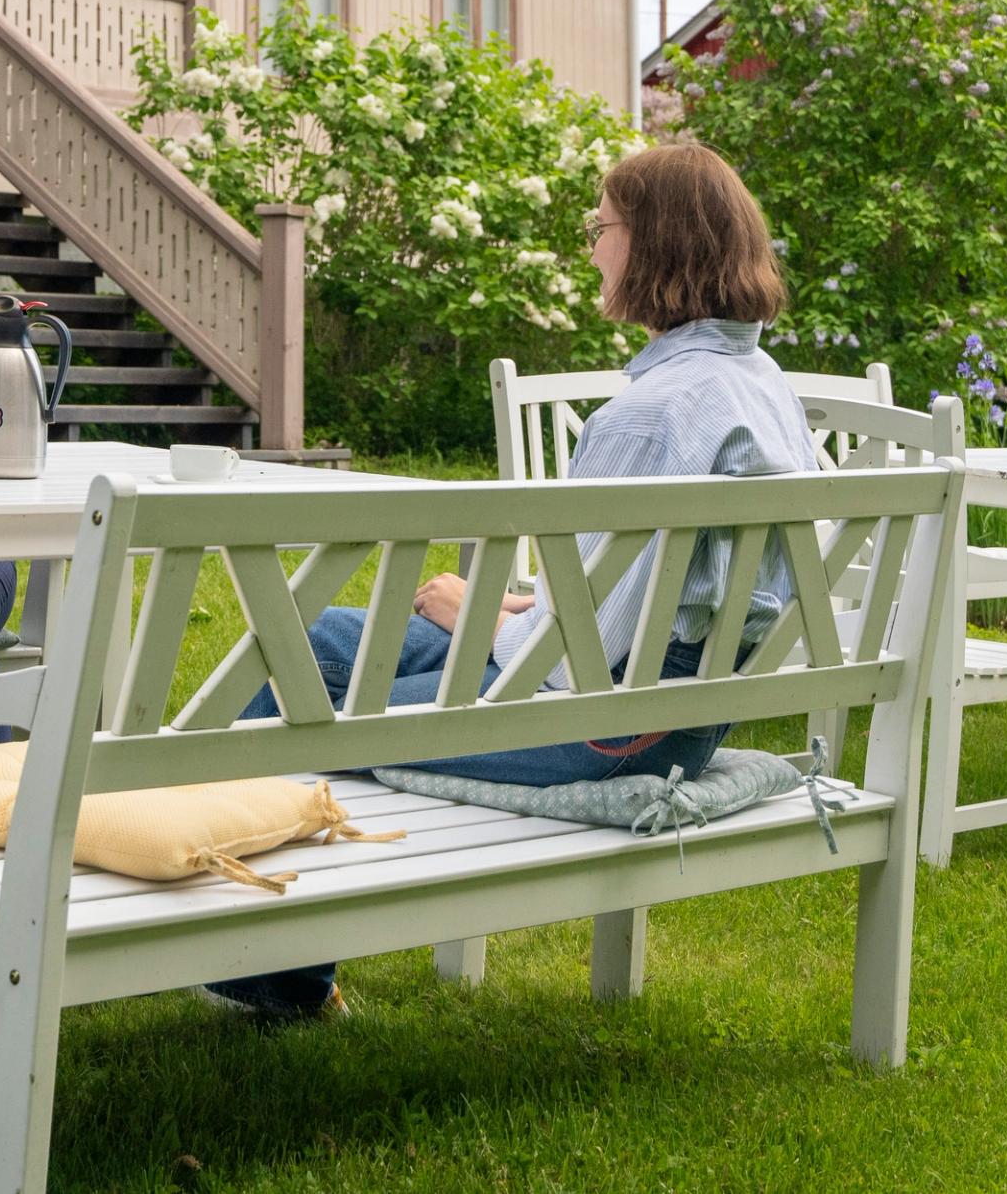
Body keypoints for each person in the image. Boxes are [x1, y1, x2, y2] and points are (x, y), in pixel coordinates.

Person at [205, 138, 816, 1020]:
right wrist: (522, 610)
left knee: (310, 708)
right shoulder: (761, 386)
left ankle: (270, 971)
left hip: (609, 727)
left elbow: (573, 665)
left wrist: (481, 617)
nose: (593, 249)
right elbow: (663, 591)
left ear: (654, 244)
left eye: (602, 228)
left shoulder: (646, 417)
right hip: (670, 697)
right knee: (321, 641)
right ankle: (273, 964)